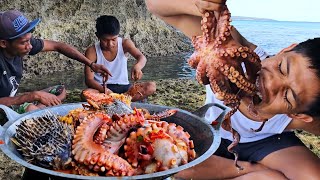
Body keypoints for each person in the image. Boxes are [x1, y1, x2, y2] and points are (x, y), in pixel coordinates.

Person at [145, 0, 320, 179]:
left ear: (299, 115)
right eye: (282, 67)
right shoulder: (232, 46)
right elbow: (154, 4)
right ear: (287, 49)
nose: (270, 84)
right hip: (211, 132)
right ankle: (250, 169)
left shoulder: (306, 118)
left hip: (264, 143)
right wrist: (197, 5)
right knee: (174, 165)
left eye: (288, 96)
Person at [0, 9, 111, 114]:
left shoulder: (24, 45)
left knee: (60, 90)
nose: (29, 46)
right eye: (24, 42)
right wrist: (32, 96)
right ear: (4, 43)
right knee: (29, 107)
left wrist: (91, 64)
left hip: (13, 99)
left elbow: (58, 46)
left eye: (29, 40)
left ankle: (37, 111)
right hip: (3, 108)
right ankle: (34, 112)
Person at [83, 15, 156, 102]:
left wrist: (138, 66)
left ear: (118, 35)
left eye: (114, 39)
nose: (110, 44)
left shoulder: (125, 44)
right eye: (105, 40)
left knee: (151, 86)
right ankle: (122, 101)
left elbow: (142, 57)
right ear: (97, 36)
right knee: (85, 93)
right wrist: (106, 91)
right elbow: (89, 80)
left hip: (125, 88)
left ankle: (117, 100)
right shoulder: (92, 51)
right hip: (102, 89)